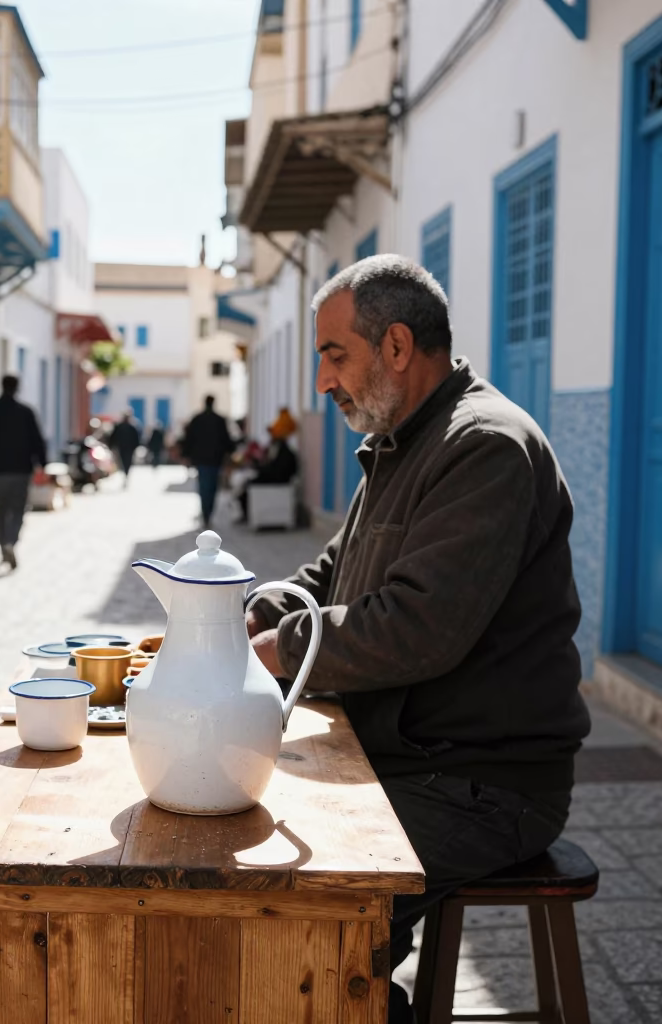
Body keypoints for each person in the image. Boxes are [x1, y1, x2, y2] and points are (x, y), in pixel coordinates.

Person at [244, 255, 590, 1024]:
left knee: (298, 916)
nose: (323, 382)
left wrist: (275, 654)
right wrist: (255, 616)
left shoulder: (485, 447)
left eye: (336, 356)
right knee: (242, 859)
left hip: (483, 784)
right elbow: (334, 573)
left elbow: (416, 628)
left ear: (396, 346)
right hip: (410, 761)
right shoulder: (402, 441)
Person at [0, 374, 47, 570]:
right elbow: (37, 440)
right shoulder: (26, 412)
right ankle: (11, 542)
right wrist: (42, 464)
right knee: (19, 509)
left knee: (2, 509)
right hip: (21, 470)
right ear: (17, 388)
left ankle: (4, 543)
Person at [236, 408, 299, 524]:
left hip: (279, 479)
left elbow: (278, 470)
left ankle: (248, 515)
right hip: (275, 476)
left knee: (250, 484)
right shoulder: (276, 448)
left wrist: (261, 469)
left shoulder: (284, 451)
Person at [180, 395, 235, 528]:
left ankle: (206, 513)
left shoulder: (198, 419)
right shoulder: (219, 420)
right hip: (214, 459)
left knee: (205, 486)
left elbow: (189, 439)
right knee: (211, 487)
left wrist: (186, 455)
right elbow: (226, 440)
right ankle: (207, 513)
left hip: (203, 459)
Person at [109, 411, 141, 485]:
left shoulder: (132, 427)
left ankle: (126, 473)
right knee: (122, 462)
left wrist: (135, 447)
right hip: (121, 448)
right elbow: (113, 437)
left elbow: (136, 438)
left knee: (128, 462)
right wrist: (112, 445)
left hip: (129, 448)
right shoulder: (119, 426)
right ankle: (125, 473)